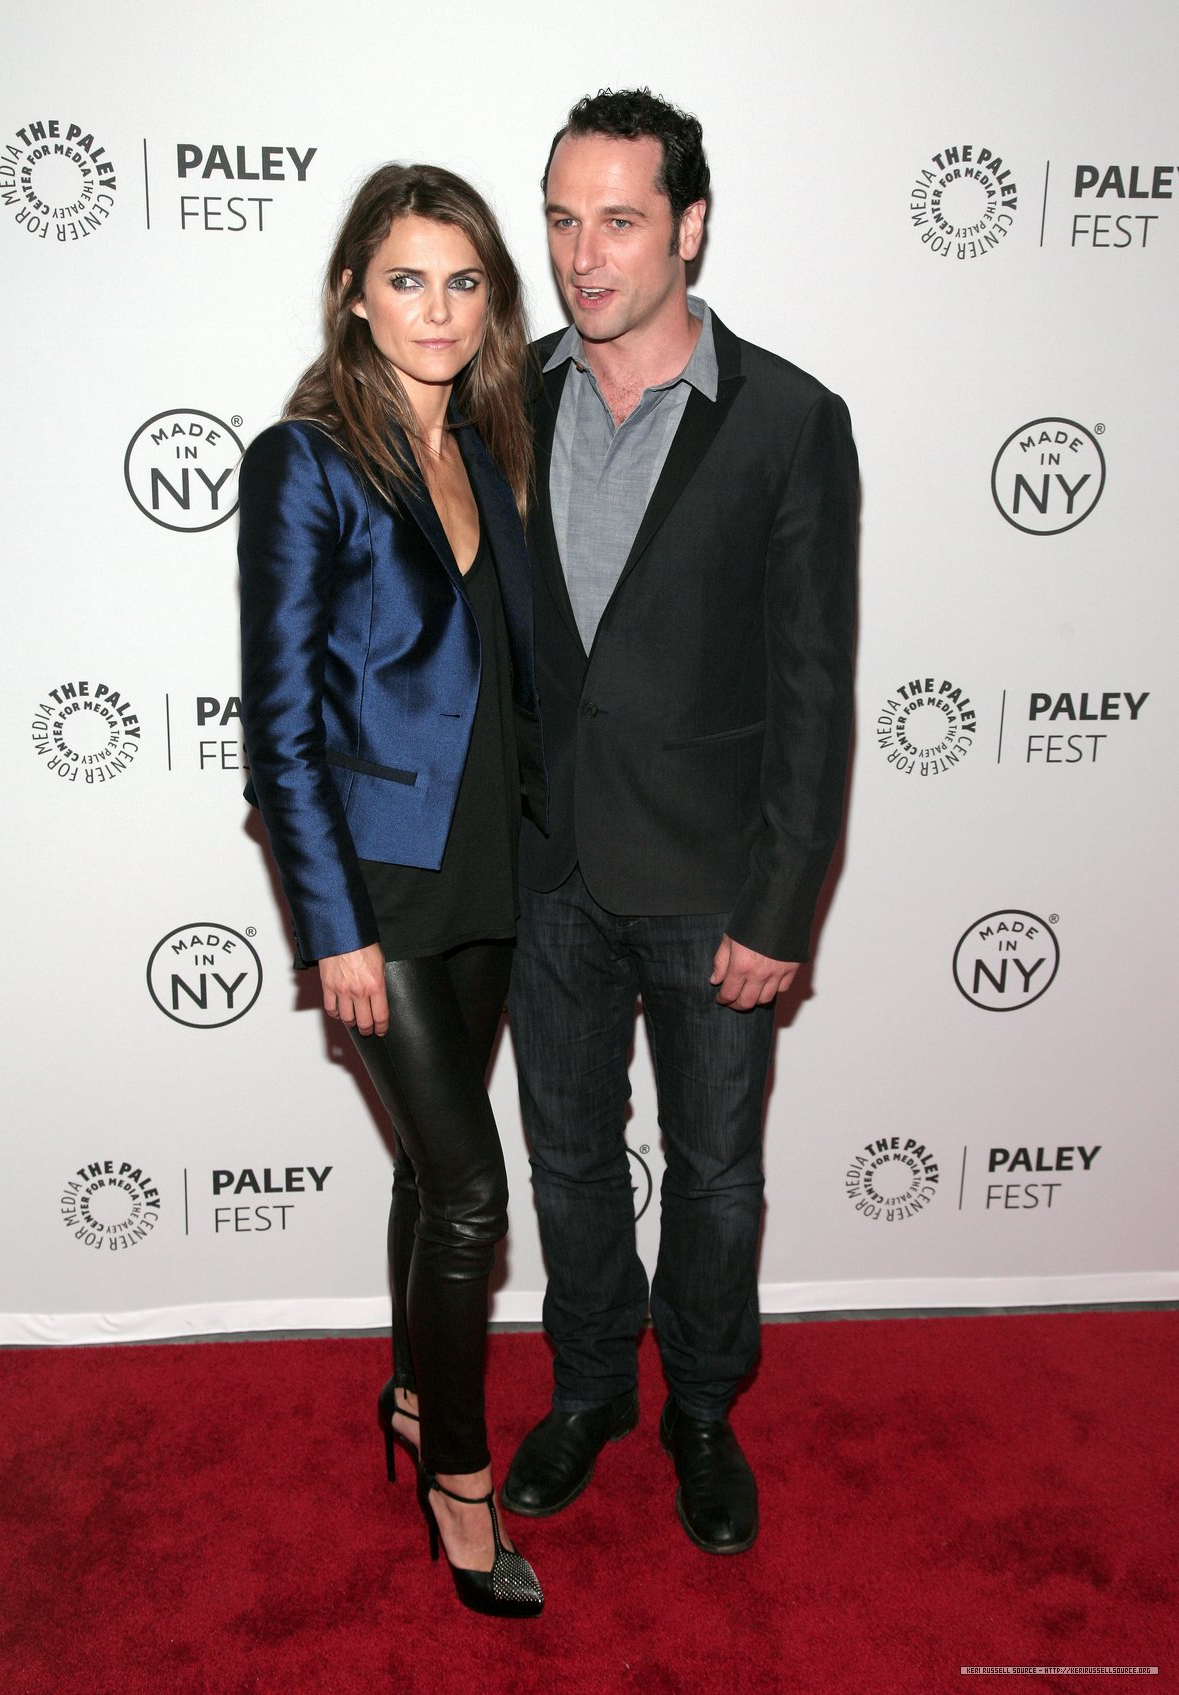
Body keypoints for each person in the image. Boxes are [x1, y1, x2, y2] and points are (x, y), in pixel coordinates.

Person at [500, 91, 858, 1555]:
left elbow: (814, 688)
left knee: (715, 1170)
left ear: (690, 228)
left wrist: (784, 909)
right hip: (541, 876)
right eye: (564, 219)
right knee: (569, 1158)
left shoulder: (787, 421)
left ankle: (703, 1411)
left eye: (622, 221)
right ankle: (590, 1388)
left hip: (713, 878)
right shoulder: (498, 398)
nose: (585, 255)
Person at [238, 163, 547, 1617]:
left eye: (464, 280)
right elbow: (280, 720)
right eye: (408, 277)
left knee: (432, 1174)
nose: (437, 307)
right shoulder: (305, 461)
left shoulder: (488, 447)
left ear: (492, 301)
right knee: (477, 1192)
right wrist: (332, 926)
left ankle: (415, 1397)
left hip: (484, 859)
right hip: (379, 889)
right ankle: (462, 1480)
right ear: (356, 288)